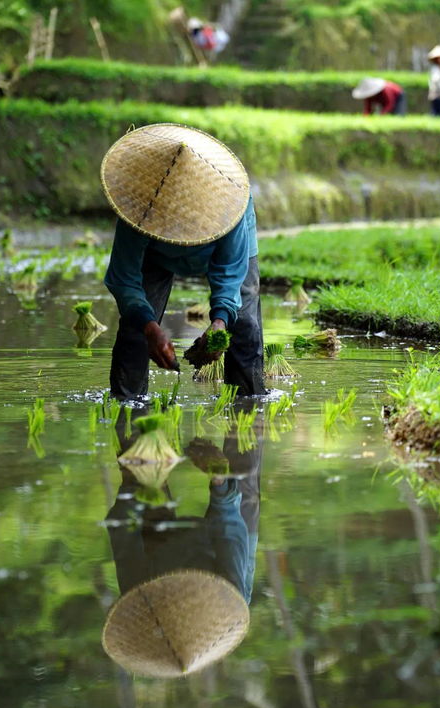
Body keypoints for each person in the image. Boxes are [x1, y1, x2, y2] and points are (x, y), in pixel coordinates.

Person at [101, 123, 265, 400]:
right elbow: (124, 278)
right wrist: (149, 326)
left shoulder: (231, 202)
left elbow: (229, 275)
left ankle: (248, 402)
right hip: (156, 253)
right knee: (135, 330)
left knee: (244, 323)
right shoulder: (138, 204)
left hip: (222, 248)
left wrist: (220, 322)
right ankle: (128, 403)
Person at [102, 418, 262, 677]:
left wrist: (138, 482)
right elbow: (230, 532)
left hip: (160, 542)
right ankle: (249, 401)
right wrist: (220, 480)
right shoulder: (231, 598)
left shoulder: (139, 593)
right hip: (233, 538)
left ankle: (131, 399)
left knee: (139, 460)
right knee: (243, 478)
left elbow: (121, 527)